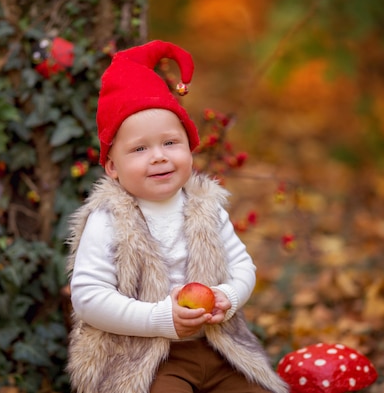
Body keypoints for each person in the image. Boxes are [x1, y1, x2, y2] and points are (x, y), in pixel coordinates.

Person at [66, 40, 288, 393]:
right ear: (112, 167)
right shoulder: (108, 219)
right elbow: (89, 298)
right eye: (139, 149)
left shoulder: (206, 206)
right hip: (144, 356)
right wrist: (161, 319)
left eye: (170, 143)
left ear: (189, 148)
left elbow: (243, 266)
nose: (158, 156)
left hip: (218, 348)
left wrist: (227, 296)